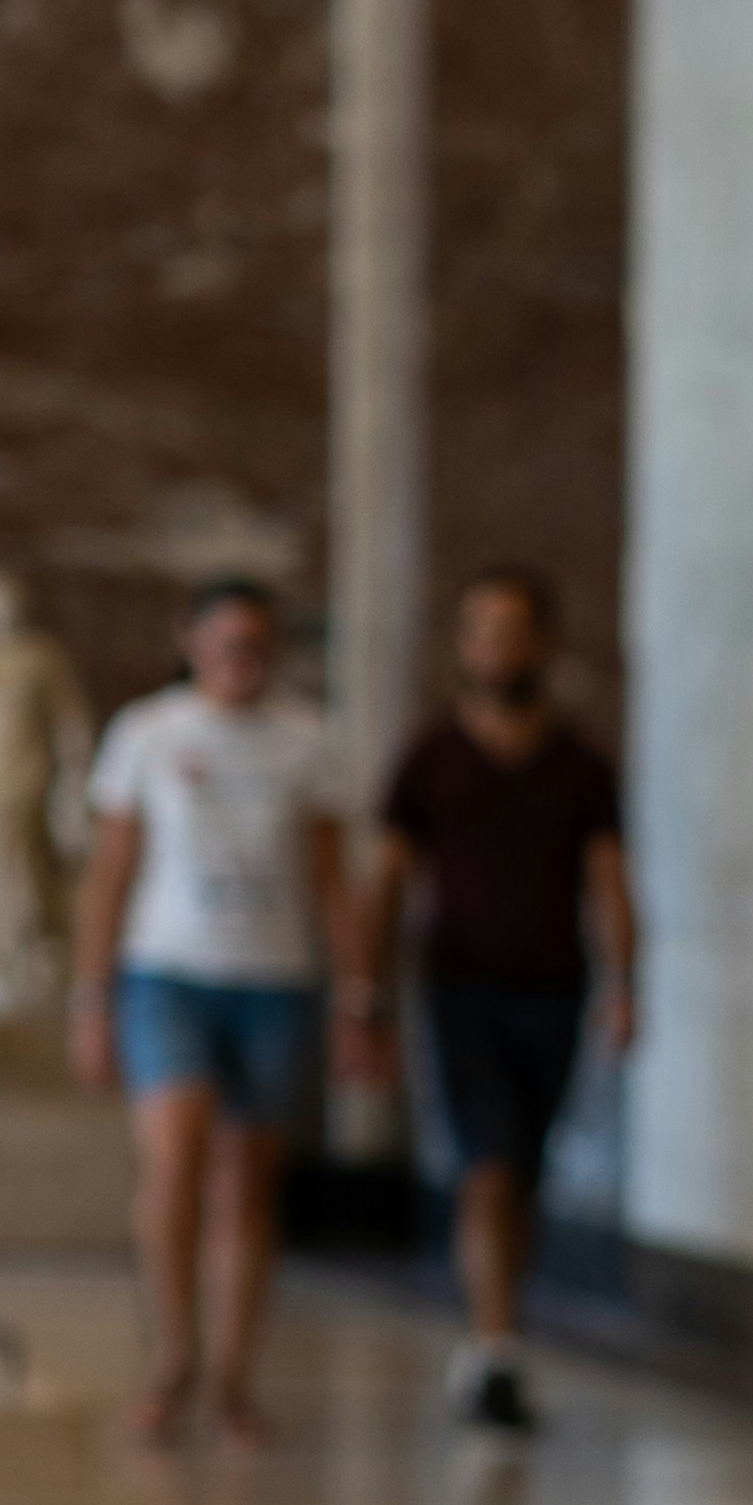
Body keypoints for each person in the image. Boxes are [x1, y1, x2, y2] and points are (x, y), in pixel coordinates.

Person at [72, 577, 355, 1449]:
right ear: (191, 642)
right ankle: (172, 1357)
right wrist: (92, 994)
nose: (241, 660)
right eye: (225, 643)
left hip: (273, 976)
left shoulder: (308, 740)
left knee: (247, 1184)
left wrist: (360, 995)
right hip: (168, 972)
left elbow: (331, 878)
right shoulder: (150, 735)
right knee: (176, 1162)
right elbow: (111, 870)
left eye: (256, 645)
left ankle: (234, 1379)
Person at [364, 566, 633, 1434]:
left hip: (554, 986)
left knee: (525, 1171)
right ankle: (495, 1345)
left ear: (544, 645)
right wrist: (364, 990)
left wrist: (625, 985)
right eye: (482, 629)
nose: (497, 647)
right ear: (463, 645)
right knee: (487, 1164)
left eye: (514, 629)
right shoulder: (432, 757)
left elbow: (609, 881)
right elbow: (389, 879)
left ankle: (499, 1325)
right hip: (461, 986)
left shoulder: (581, 763)